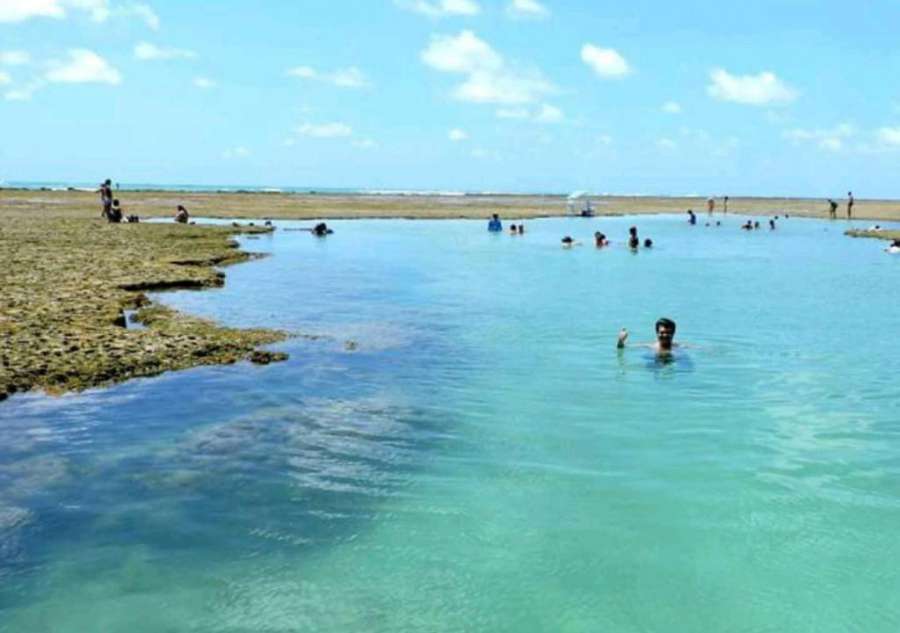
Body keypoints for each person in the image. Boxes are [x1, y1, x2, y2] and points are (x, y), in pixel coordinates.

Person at [616, 317, 681, 355]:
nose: (665, 335)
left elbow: (689, 347)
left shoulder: (678, 346)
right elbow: (623, 347)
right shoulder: (651, 347)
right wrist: (620, 341)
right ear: (657, 333)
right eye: (662, 332)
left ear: (673, 333)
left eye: (668, 332)